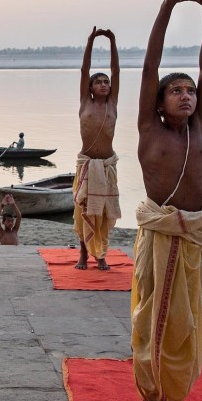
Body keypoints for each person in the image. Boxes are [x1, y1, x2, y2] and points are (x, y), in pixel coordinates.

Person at [132, 0, 202, 401]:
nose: (186, 95)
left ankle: (172, 399)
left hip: (192, 234)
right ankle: (150, 397)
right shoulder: (152, 130)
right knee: (153, 314)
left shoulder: (198, 129)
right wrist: (168, 6)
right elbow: (150, 64)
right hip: (160, 233)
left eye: (190, 91)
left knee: (185, 319)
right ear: (161, 103)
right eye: (176, 91)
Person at [73, 27, 122, 271]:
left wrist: (112, 42)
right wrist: (91, 40)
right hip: (87, 165)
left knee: (103, 213)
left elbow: (117, 70)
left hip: (106, 165)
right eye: (99, 82)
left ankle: (101, 255)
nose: (104, 85)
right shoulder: (86, 103)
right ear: (90, 88)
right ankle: (83, 254)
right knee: (83, 211)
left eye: (106, 82)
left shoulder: (112, 104)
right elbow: (84, 70)